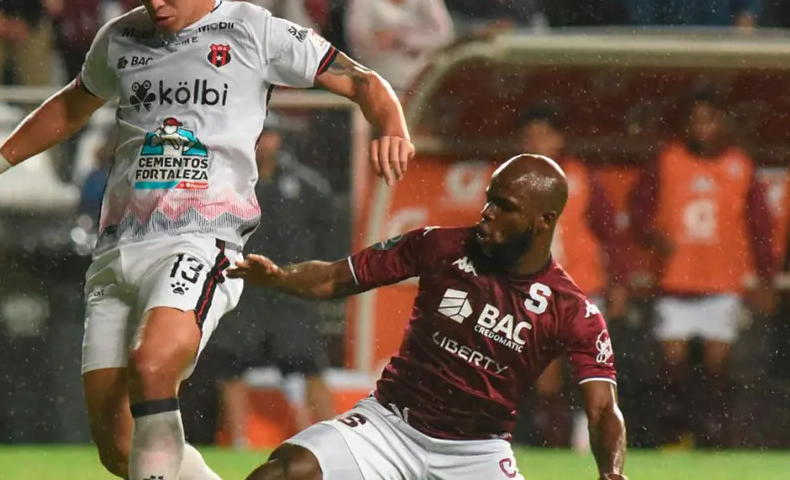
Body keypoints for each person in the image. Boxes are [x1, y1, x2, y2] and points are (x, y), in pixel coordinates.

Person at [0, 0, 414, 480]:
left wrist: (391, 122)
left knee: (153, 365)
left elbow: (362, 79)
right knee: (119, 448)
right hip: (117, 249)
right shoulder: (119, 39)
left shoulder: (251, 30)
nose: (156, 2)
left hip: (199, 238)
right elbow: (70, 106)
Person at [231, 154, 628, 480]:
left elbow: (602, 410)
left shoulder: (573, 310)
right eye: (490, 199)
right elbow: (337, 278)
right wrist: (279, 277)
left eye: (505, 207)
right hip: (389, 426)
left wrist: (611, 472)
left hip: (476, 454)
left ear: (544, 220)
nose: (487, 213)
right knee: (283, 473)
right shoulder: (439, 246)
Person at [629, 90, 774, 447]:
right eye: (695, 120)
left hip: (722, 281)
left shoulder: (740, 166)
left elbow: (760, 226)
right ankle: (675, 433)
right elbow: (638, 213)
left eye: (709, 119)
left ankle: (714, 436)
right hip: (676, 281)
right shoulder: (668, 161)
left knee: (717, 367)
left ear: (721, 123)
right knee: (672, 365)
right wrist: (653, 237)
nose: (702, 127)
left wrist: (765, 278)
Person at [210, 118, 338, 448]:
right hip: (244, 290)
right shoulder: (226, 183)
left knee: (309, 366)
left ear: (278, 140)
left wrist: (318, 276)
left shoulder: (306, 186)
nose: (262, 143)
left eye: (267, 136)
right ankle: (239, 441)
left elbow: (331, 233)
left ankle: (333, 441)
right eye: (255, 136)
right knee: (231, 367)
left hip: (290, 292)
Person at [517, 106, 629, 449]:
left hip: (583, 288)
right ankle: (552, 439)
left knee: (590, 370)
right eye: (530, 135)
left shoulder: (580, 176)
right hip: (536, 291)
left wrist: (619, 281)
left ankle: (590, 432)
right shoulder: (513, 182)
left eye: (543, 134)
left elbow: (609, 231)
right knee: (543, 374)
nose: (536, 142)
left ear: (558, 138)